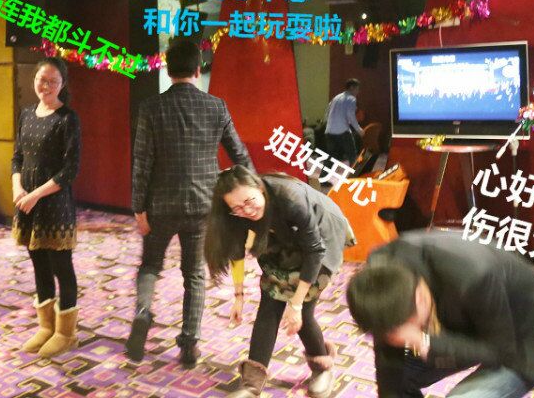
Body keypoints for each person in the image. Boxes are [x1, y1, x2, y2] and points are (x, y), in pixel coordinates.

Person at [126, 39, 253, 368]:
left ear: (168, 70)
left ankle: (143, 311)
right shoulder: (216, 107)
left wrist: (139, 208)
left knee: (150, 265)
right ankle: (189, 345)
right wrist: (253, 192)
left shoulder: (151, 107)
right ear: (198, 70)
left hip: (160, 205)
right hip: (203, 205)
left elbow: (141, 162)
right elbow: (239, 155)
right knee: (194, 274)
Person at [346, 231, 534, 398]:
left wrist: (425, 341)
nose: (397, 338)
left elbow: (500, 350)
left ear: (420, 297)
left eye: (404, 329)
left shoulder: (474, 276)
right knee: (398, 381)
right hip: (460, 321)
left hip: (523, 337)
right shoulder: (382, 278)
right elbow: (388, 364)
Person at [206, 166, 354, 398]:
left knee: (303, 313)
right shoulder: (237, 212)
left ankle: (323, 368)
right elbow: (236, 250)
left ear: (259, 187)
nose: (246, 210)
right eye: (237, 208)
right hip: (282, 236)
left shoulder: (290, 197)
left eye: (249, 201)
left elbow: (314, 250)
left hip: (321, 238)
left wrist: (296, 303)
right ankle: (251, 384)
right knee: (269, 305)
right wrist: (238, 296)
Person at [12, 57, 82, 358]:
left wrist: (35, 195)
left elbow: (70, 170)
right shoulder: (27, 114)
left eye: (53, 81)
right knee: (38, 264)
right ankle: (46, 326)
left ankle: (66, 333)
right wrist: (17, 187)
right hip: (28, 203)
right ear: (34, 80)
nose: (47, 86)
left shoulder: (68, 118)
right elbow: (17, 157)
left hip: (54, 204)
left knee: (61, 268)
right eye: (42, 79)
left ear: (62, 84)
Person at [324, 78, 363, 167]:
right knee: (352, 155)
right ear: (352, 87)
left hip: (329, 131)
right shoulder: (351, 99)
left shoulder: (337, 97)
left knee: (331, 157)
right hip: (342, 131)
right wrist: (359, 129)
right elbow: (351, 116)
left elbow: (328, 111)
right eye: (357, 89)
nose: (358, 91)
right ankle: (354, 174)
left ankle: (324, 175)